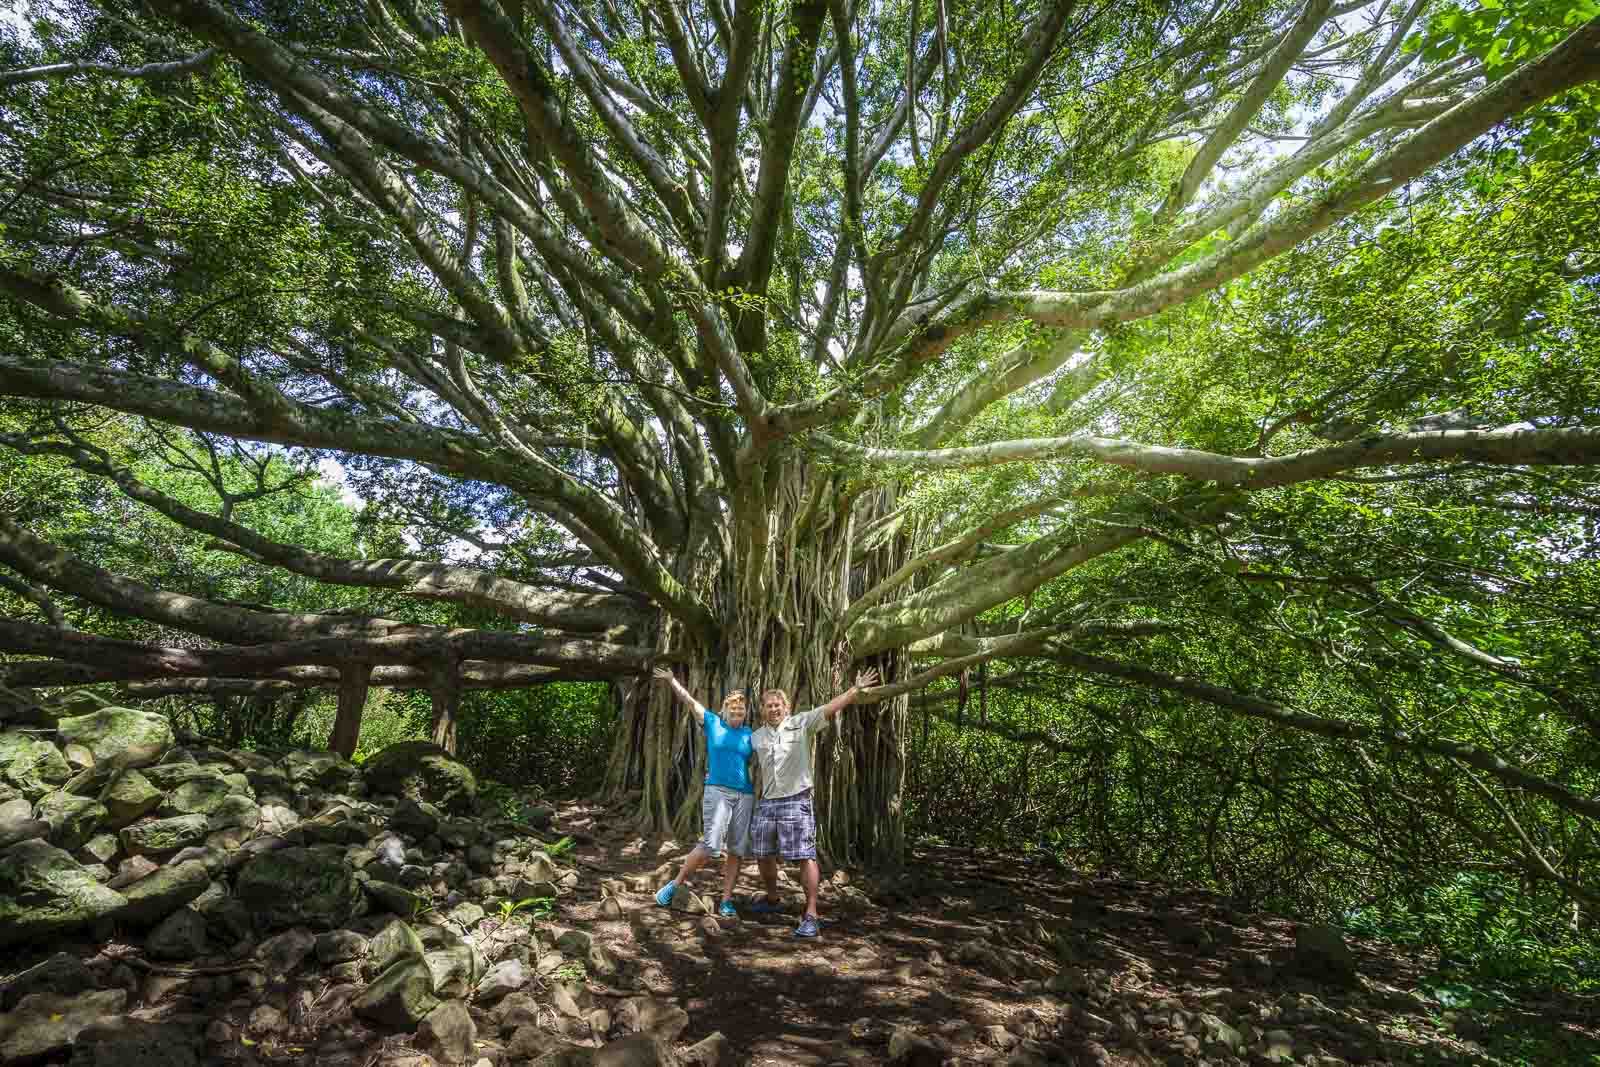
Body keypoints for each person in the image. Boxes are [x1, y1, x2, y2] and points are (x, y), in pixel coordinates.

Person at [747, 667, 879, 938]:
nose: (773, 709)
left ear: (786, 707)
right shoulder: (756, 736)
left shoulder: (801, 722)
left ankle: (811, 914)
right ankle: (772, 899)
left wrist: (855, 690)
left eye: (778, 705)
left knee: (804, 855)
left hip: (796, 800)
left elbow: (829, 708)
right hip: (768, 802)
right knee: (762, 853)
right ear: (762, 709)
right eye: (768, 705)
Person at [651, 667, 755, 918]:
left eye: (741, 709)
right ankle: (675, 884)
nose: (738, 712)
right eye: (733, 708)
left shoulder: (750, 734)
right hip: (717, 791)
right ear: (725, 709)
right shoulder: (713, 723)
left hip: (744, 795)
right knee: (710, 845)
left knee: (736, 850)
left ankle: (727, 900)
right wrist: (672, 680)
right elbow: (689, 701)